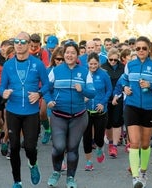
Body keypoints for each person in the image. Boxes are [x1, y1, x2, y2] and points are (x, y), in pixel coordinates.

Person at [0, 31, 49, 188]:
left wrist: (39, 93)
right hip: (13, 111)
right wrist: (3, 92)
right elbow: (1, 86)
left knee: (30, 147)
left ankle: (33, 164)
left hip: (31, 112)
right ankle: (17, 181)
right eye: (17, 41)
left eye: (23, 41)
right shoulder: (8, 65)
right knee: (13, 147)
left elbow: (48, 85)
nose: (19, 44)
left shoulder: (38, 64)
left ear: (29, 45)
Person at [45, 41, 95, 188]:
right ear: (63, 54)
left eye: (73, 53)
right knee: (59, 147)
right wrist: (49, 101)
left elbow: (92, 92)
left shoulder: (85, 72)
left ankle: (71, 178)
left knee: (73, 147)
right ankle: (56, 172)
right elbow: (46, 90)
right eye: (67, 52)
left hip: (78, 116)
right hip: (59, 115)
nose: (70, 55)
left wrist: (82, 90)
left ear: (77, 55)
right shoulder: (56, 71)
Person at [122, 36, 152, 188]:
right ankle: (135, 177)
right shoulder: (130, 65)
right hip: (131, 106)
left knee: (145, 144)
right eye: (137, 48)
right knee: (134, 142)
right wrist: (124, 88)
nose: (140, 51)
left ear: (149, 50)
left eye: (144, 48)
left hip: (148, 108)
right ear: (135, 49)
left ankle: (143, 172)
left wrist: (149, 85)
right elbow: (123, 81)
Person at [83, 52, 112, 171]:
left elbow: (109, 90)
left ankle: (100, 148)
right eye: (91, 64)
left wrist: (103, 103)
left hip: (100, 111)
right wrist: (83, 96)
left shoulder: (104, 74)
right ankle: (89, 161)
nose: (93, 66)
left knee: (99, 138)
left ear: (99, 64)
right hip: (86, 110)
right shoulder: (85, 74)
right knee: (87, 137)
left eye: (95, 64)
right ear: (87, 64)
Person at [101, 48, 125, 158]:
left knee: (117, 121)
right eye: (111, 59)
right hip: (107, 97)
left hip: (119, 97)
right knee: (108, 123)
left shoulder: (123, 68)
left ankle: (114, 146)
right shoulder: (103, 68)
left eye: (115, 60)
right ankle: (110, 142)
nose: (113, 62)